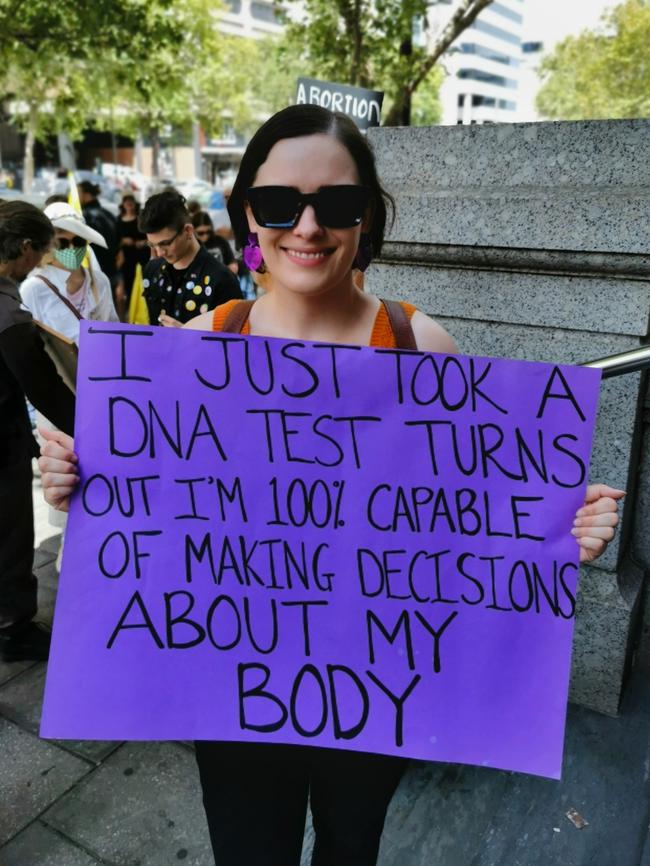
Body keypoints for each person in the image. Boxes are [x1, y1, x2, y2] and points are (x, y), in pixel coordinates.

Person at [38, 105, 623, 866]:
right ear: (249, 211)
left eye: (336, 204)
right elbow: (146, 509)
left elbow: (468, 512)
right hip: (236, 688)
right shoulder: (203, 342)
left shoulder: (419, 343)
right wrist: (78, 483)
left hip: (374, 689)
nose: (307, 227)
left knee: (351, 848)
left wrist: (554, 531)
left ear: (366, 219)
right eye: (281, 203)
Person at [0, 201, 75, 662]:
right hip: (2, 444)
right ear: (25, 247)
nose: (49, 258)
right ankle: (12, 627)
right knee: (9, 532)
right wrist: (102, 427)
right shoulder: (10, 316)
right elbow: (47, 391)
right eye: (44, 251)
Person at [138, 190, 242, 327]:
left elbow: (235, 344)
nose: (159, 252)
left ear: (187, 231)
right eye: (152, 245)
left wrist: (188, 338)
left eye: (165, 243)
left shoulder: (223, 280)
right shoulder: (152, 270)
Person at [20, 202, 118, 344]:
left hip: (98, 363)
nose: (72, 248)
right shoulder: (33, 288)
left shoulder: (100, 281)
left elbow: (112, 326)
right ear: (49, 245)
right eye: (63, 243)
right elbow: (25, 342)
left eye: (78, 241)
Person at [78, 180, 119, 290]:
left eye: (77, 193)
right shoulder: (109, 214)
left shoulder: (83, 217)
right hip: (111, 271)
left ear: (86, 195)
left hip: (93, 273)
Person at [115, 193, 149, 317]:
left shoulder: (140, 218)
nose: (129, 205)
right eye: (126, 203)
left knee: (141, 283)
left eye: (131, 203)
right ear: (123, 205)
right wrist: (123, 241)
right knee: (127, 285)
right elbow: (114, 238)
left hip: (141, 255)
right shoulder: (118, 220)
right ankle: (129, 311)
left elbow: (149, 237)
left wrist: (142, 242)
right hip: (126, 257)